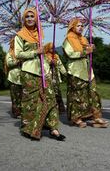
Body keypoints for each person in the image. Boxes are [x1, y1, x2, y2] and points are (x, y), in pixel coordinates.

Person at [15, 7, 65, 141]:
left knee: (51, 98)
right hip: (29, 72)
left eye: (32, 16)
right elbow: (18, 54)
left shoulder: (40, 33)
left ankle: (53, 128)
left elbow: (43, 53)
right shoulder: (20, 35)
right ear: (24, 19)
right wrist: (35, 52)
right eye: (27, 17)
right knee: (30, 102)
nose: (30, 19)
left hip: (43, 71)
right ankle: (29, 128)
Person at [63, 18, 108, 128]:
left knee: (93, 93)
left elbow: (89, 52)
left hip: (87, 70)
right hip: (76, 71)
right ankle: (76, 118)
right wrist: (85, 52)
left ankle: (95, 117)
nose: (81, 27)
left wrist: (92, 48)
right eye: (78, 25)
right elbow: (70, 54)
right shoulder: (68, 40)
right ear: (72, 27)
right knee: (77, 95)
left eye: (82, 25)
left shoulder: (83, 39)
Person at [43, 42, 67, 113]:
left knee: (57, 92)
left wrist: (65, 73)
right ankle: (50, 109)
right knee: (49, 92)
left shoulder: (56, 56)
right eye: (51, 48)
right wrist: (50, 62)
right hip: (48, 76)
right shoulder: (44, 56)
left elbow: (60, 65)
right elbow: (43, 65)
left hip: (55, 76)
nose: (53, 49)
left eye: (53, 47)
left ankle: (60, 108)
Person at [5, 37, 22, 118]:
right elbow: (8, 63)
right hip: (13, 77)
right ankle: (16, 112)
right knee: (15, 96)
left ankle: (22, 111)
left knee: (22, 95)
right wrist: (17, 62)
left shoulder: (21, 52)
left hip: (22, 77)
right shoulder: (10, 53)